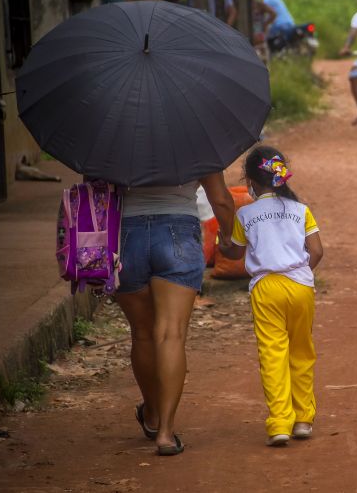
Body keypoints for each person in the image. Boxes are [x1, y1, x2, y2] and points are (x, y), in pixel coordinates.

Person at [117, 174, 237, 456]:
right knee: (170, 334)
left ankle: (152, 414)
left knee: (142, 334)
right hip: (178, 233)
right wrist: (229, 237)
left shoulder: (111, 145)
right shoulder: (194, 144)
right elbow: (221, 199)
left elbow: (95, 186)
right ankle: (166, 433)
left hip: (125, 237)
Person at [218, 146, 324, 447]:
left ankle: (279, 423)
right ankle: (303, 420)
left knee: (272, 353)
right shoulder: (300, 210)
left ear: (250, 181)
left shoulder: (245, 214)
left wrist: (224, 244)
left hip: (266, 289)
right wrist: (301, 274)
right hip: (300, 286)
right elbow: (316, 251)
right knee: (301, 351)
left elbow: (236, 253)